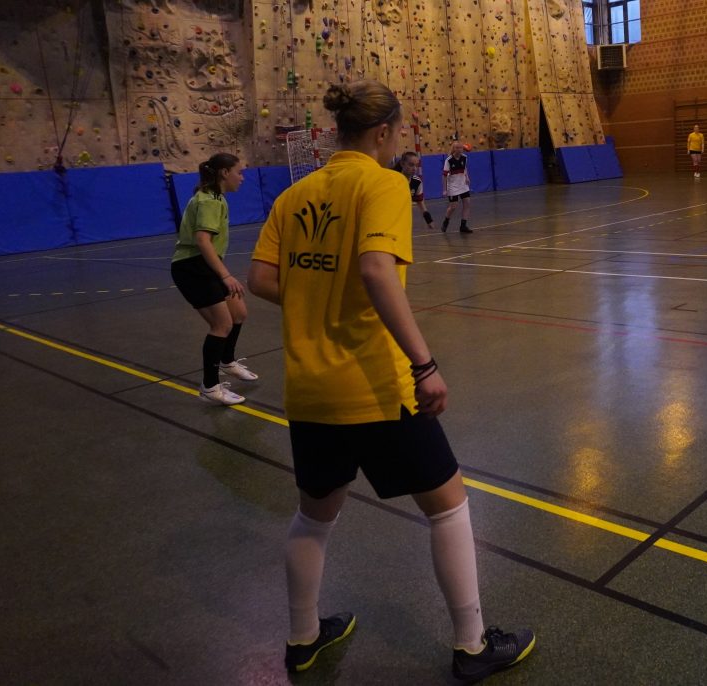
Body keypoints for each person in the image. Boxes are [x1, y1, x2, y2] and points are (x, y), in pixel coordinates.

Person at [247, 79, 534, 680]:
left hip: (309, 390)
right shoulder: (382, 183)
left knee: (314, 516)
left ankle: (302, 638)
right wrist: (425, 364)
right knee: (449, 506)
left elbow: (261, 279)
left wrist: (318, 297)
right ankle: (473, 646)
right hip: (375, 386)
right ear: (384, 132)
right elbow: (376, 270)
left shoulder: (295, 196)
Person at [169, 153, 258, 406]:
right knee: (222, 325)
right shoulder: (210, 201)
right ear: (224, 173)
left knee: (238, 312)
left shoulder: (216, 198)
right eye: (239, 172)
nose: (242, 178)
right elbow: (202, 240)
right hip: (191, 268)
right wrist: (225, 275)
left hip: (202, 266)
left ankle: (227, 361)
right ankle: (210, 387)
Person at [396, 151, 435, 229]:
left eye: (416, 165)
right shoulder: (393, 179)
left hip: (404, 219)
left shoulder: (417, 182)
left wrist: (428, 220)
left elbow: (420, 202)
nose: (414, 168)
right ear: (402, 164)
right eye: (411, 165)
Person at [442, 141, 473, 233]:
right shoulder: (449, 160)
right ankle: (446, 221)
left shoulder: (464, 157)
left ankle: (463, 226)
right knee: (453, 207)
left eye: (461, 148)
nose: (459, 149)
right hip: (452, 185)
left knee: (467, 203)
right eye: (457, 148)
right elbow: (444, 175)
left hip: (462, 184)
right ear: (454, 149)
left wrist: (467, 177)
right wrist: (444, 189)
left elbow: (464, 168)